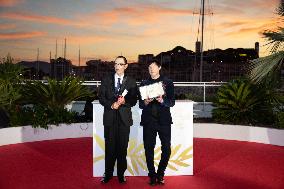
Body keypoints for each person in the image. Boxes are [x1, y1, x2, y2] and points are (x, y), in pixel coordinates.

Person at [98, 56, 137, 184]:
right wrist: (111, 104)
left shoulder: (131, 81)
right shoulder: (106, 79)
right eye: (116, 64)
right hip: (109, 118)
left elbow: (134, 100)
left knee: (122, 148)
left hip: (124, 120)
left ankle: (121, 174)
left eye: (120, 64)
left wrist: (125, 101)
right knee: (109, 148)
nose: (117, 66)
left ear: (126, 66)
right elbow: (101, 97)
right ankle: (108, 174)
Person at [139, 60, 175, 186]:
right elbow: (140, 105)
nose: (151, 69)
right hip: (149, 121)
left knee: (166, 149)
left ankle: (160, 173)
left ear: (159, 67)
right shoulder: (144, 83)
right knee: (149, 149)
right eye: (149, 67)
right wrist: (146, 102)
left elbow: (172, 102)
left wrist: (162, 100)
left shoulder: (168, 82)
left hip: (164, 121)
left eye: (153, 66)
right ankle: (152, 175)